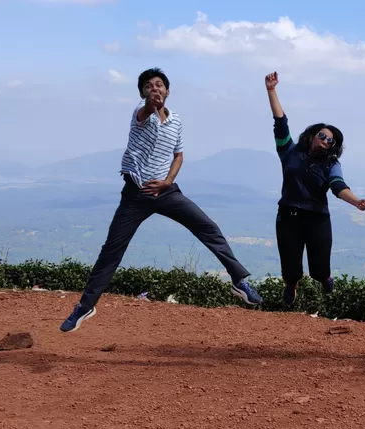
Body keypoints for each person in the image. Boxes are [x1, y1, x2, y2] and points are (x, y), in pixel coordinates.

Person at [59, 68, 263, 333]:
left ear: (168, 90)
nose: (154, 89)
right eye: (148, 86)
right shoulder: (140, 113)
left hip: (167, 192)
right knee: (111, 251)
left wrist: (168, 180)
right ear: (143, 93)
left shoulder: (176, 120)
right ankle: (85, 307)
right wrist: (149, 104)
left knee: (208, 227)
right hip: (136, 195)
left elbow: (179, 155)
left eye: (158, 85)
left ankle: (239, 280)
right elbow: (145, 113)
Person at [263, 71, 365, 306]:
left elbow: (338, 186)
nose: (325, 141)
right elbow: (281, 123)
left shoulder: (331, 164)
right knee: (290, 268)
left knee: (319, 270)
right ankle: (291, 285)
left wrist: (355, 201)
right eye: (322, 136)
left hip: (317, 219)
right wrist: (271, 90)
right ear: (313, 136)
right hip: (288, 216)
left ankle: (325, 279)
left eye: (330, 140)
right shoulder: (289, 152)